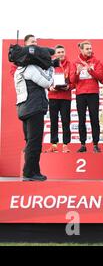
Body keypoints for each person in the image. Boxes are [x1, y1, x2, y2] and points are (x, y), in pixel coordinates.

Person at [13, 43, 54, 181]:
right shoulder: (30, 69)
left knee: (30, 142)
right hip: (34, 107)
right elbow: (48, 82)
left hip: (23, 108)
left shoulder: (19, 69)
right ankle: (29, 172)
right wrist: (51, 67)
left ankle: (35, 171)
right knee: (34, 142)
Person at [70, 41, 103, 153]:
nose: (89, 50)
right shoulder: (75, 62)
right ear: (81, 50)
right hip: (81, 94)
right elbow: (72, 80)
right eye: (87, 49)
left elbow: (101, 77)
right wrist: (77, 72)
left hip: (93, 93)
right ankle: (82, 144)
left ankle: (95, 144)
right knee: (81, 119)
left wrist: (91, 70)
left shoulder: (96, 61)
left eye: (90, 48)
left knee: (94, 119)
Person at [45, 45, 74, 153]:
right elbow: (46, 78)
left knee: (66, 121)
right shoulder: (49, 65)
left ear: (65, 52)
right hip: (53, 96)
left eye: (62, 52)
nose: (61, 54)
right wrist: (49, 87)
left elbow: (73, 81)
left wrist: (69, 86)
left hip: (65, 97)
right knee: (53, 121)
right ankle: (54, 144)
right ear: (55, 54)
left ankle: (65, 144)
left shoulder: (70, 65)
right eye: (59, 52)